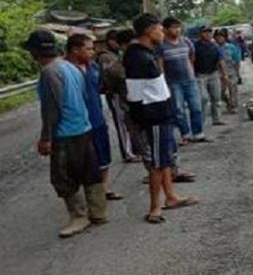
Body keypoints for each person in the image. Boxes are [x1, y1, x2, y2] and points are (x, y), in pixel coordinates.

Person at [24, 30, 107, 238]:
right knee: (90, 171)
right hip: (83, 127)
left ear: (35, 52)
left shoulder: (49, 72)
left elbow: (52, 109)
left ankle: (79, 216)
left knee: (63, 177)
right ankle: (98, 211)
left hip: (65, 133)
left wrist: (46, 138)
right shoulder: (71, 67)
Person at [124, 14, 198, 224]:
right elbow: (135, 93)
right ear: (148, 31)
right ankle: (154, 207)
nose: (162, 32)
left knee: (164, 159)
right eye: (158, 29)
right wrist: (144, 118)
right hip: (153, 116)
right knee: (157, 162)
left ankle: (171, 197)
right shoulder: (136, 56)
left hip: (162, 114)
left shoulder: (146, 53)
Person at [66, 34, 124, 201]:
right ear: (75, 50)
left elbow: (100, 87)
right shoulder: (65, 70)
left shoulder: (93, 67)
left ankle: (104, 187)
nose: (92, 52)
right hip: (76, 122)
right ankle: (85, 193)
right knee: (80, 161)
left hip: (96, 117)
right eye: (89, 48)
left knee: (103, 154)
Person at [157, 17, 210, 145]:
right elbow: (160, 64)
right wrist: (163, 81)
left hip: (190, 80)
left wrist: (190, 69)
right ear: (165, 29)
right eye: (173, 27)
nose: (177, 30)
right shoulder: (161, 45)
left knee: (196, 107)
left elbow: (192, 55)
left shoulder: (186, 41)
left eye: (178, 27)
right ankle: (185, 134)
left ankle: (198, 133)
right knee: (178, 110)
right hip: (173, 82)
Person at [96, 29, 142, 163]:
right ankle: (127, 152)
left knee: (130, 123)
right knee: (122, 124)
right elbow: (117, 74)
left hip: (125, 92)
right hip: (115, 93)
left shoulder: (118, 54)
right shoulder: (106, 57)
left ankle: (135, 149)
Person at [194, 25, 228, 126]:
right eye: (205, 32)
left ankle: (217, 119)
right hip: (200, 74)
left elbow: (221, 60)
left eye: (209, 32)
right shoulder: (195, 46)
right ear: (200, 33)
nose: (208, 34)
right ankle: (202, 121)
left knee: (216, 97)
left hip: (213, 73)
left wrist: (224, 74)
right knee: (203, 98)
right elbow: (191, 59)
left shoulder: (215, 46)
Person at [215, 29, 241, 113]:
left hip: (231, 70)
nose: (219, 38)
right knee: (220, 92)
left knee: (233, 89)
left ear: (225, 38)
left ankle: (233, 106)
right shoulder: (214, 48)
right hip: (218, 72)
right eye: (217, 37)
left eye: (221, 36)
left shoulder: (231, 47)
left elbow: (237, 60)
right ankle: (227, 102)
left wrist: (237, 72)